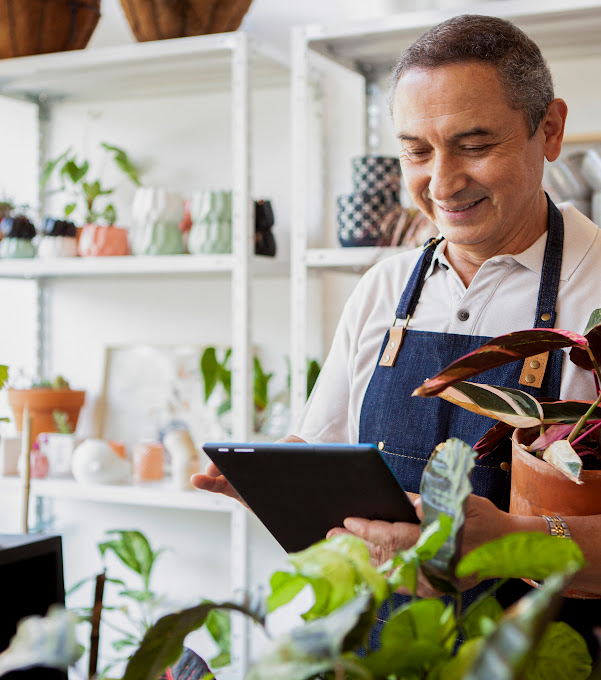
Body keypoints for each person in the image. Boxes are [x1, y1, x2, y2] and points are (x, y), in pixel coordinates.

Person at [193, 14, 601, 652]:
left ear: (548, 130)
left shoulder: (595, 288)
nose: (440, 182)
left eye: (474, 144)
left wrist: (507, 539)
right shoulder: (383, 290)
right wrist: (282, 486)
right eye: (416, 149)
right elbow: (320, 445)